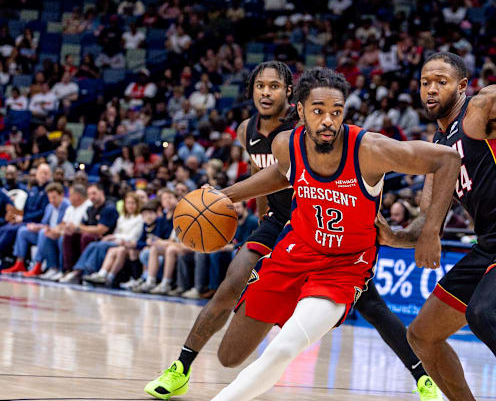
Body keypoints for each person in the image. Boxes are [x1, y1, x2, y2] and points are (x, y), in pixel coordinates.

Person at [146, 63, 450, 401]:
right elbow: (281, 173)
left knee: (311, 335)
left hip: (343, 261)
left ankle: (421, 375)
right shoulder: (275, 141)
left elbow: (445, 160)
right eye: (319, 111)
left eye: (336, 112)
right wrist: (229, 196)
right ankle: (188, 363)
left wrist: (427, 230)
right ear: (301, 111)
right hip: (293, 241)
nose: (328, 120)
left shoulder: (367, 147)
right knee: (229, 353)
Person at [377, 36, 496, 401]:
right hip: (490, 245)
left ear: (462, 85)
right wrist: (394, 237)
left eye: (441, 81)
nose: (431, 88)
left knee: (483, 315)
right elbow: (426, 222)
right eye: (425, 82)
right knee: (421, 334)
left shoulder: (483, 106)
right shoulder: (437, 149)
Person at [3, 183, 68, 276]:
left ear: (61, 195)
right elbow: (44, 223)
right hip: (46, 232)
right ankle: (19, 263)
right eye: (50, 198)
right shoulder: (49, 207)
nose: (52, 200)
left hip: (57, 234)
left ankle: (38, 265)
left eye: (54, 197)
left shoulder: (66, 206)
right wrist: (35, 226)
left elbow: (63, 226)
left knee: (43, 233)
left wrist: (43, 228)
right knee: (23, 231)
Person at [38, 184, 92, 281]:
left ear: (78, 196)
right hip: (67, 232)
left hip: (77, 235)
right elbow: (63, 223)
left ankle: (64, 270)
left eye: (70, 194)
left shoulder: (88, 206)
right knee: (47, 235)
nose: (69, 197)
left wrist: (63, 231)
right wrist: (54, 230)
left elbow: (84, 225)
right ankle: (53, 268)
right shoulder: (71, 208)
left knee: (63, 239)